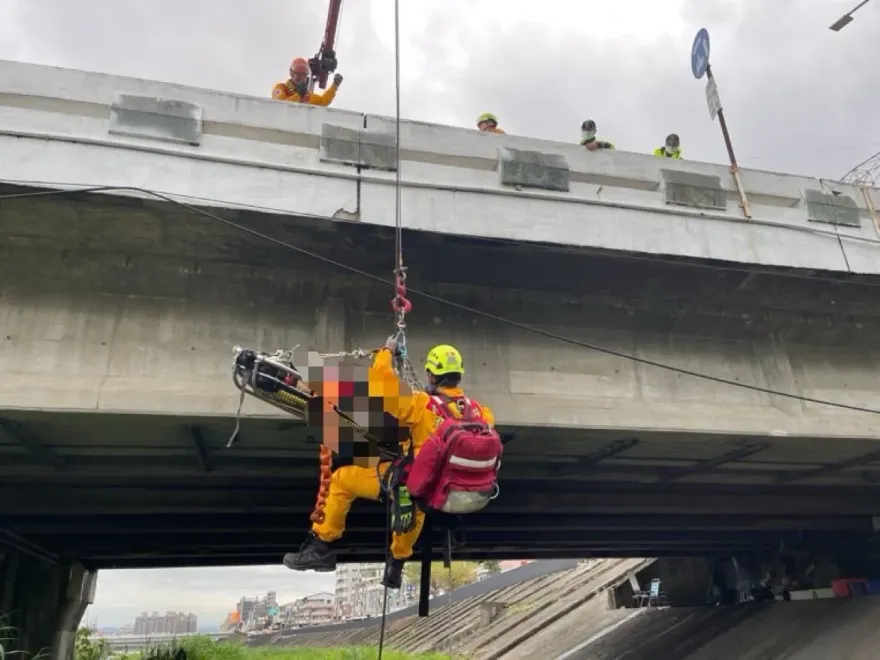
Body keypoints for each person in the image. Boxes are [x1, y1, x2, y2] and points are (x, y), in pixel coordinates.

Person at [283, 342, 496, 590]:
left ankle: (321, 545)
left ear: (430, 375)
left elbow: (381, 382)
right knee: (413, 511)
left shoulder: (422, 405)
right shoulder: (481, 412)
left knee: (342, 480)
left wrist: (387, 351)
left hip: (416, 482)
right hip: (450, 487)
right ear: (459, 375)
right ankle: (396, 566)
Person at [272, 57, 343, 106]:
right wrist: (298, 96)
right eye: (298, 74)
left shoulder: (307, 96)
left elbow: (323, 101)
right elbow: (280, 105)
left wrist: (335, 85)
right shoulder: (281, 88)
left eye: (304, 75)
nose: (301, 78)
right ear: (291, 74)